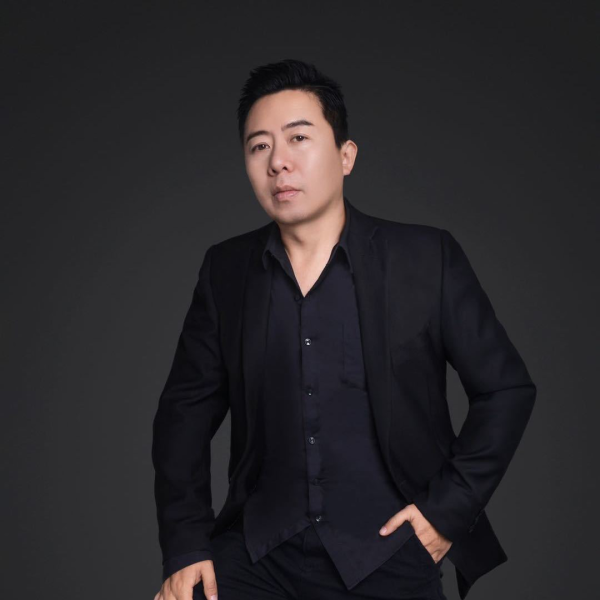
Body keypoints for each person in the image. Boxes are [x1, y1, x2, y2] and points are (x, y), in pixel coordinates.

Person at [152, 59, 536, 600]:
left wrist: (446, 512)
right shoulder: (226, 269)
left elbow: (506, 390)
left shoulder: (425, 258)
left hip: (390, 553)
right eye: (259, 146)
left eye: (298, 138)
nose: (278, 162)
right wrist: (186, 546)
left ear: (346, 155)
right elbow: (183, 414)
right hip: (259, 554)